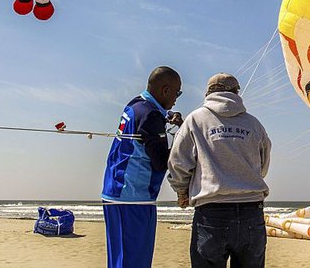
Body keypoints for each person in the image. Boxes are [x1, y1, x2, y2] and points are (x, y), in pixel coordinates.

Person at [168, 73, 272, 268]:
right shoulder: (254, 124)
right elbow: (263, 166)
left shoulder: (195, 120)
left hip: (211, 214)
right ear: (236, 92)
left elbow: (178, 163)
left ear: (208, 93)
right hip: (252, 213)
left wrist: (182, 192)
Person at [101, 66, 184, 268]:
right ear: (166, 90)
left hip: (117, 191)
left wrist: (168, 116)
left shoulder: (136, 105)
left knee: (120, 259)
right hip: (133, 197)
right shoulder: (151, 115)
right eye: (177, 92)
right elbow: (160, 162)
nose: (176, 98)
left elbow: (147, 122)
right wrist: (182, 139)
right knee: (134, 260)